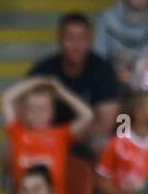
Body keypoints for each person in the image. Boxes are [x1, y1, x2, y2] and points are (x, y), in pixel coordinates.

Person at [27, 13, 120, 154]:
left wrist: (70, 138)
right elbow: (23, 109)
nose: (76, 45)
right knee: (10, 146)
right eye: (70, 38)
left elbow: (106, 121)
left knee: (105, 145)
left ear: (90, 40)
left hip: (88, 136)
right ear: (59, 39)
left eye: (82, 39)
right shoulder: (44, 70)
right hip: (48, 135)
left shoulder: (103, 70)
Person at [0, 75, 93, 194]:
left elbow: (87, 115)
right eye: (32, 109)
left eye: (43, 109)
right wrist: (38, 81)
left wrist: (61, 91)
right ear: (23, 113)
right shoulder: (17, 132)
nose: (37, 114)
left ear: (52, 113)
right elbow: (7, 97)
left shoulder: (61, 135)